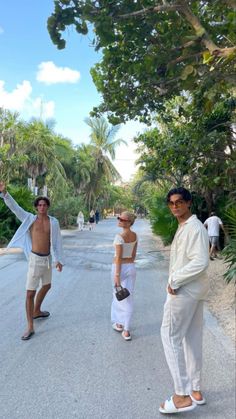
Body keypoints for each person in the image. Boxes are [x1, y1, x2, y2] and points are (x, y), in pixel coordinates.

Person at [159, 187, 209, 415]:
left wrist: (175, 279)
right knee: (192, 339)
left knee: (170, 336)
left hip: (184, 291)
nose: (174, 206)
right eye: (171, 203)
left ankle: (181, 395)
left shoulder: (195, 228)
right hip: (193, 291)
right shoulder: (185, 226)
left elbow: (201, 262)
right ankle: (195, 390)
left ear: (189, 203)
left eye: (179, 202)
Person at [0, 181, 64, 341]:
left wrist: (59, 260)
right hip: (35, 259)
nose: (42, 207)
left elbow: (56, 242)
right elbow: (15, 208)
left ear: (47, 207)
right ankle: (30, 326)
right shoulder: (29, 219)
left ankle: (37, 310)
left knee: (48, 285)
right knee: (30, 293)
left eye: (44, 205)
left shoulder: (53, 222)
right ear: (36, 207)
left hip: (48, 259)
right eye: (39, 205)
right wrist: (5, 194)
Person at [111, 211, 138, 341]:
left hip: (119, 268)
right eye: (119, 217)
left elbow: (118, 258)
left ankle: (123, 327)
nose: (119, 219)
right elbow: (133, 256)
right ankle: (123, 326)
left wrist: (117, 275)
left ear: (128, 222)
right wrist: (129, 266)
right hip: (131, 267)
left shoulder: (119, 237)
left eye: (121, 219)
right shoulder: (135, 236)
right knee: (128, 296)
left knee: (119, 296)